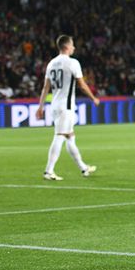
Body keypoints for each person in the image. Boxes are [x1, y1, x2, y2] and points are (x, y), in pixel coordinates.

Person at [35, 35, 101, 180]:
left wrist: (40, 106)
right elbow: (82, 85)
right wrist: (93, 98)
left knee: (70, 136)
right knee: (59, 136)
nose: (74, 47)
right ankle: (48, 171)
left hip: (55, 105)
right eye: (72, 45)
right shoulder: (73, 63)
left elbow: (45, 88)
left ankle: (83, 168)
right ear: (66, 47)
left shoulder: (51, 63)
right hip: (66, 106)